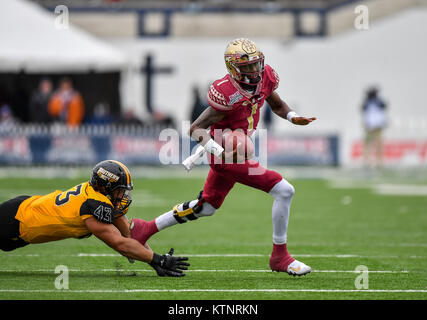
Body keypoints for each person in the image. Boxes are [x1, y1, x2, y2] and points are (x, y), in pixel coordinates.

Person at [130, 38, 316, 276]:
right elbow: (195, 129)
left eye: (256, 64)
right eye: (247, 67)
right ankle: (279, 256)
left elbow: (277, 105)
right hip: (225, 155)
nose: (254, 70)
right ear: (233, 68)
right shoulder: (226, 92)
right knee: (284, 190)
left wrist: (293, 117)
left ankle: (145, 229)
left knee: (206, 207)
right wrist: (221, 152)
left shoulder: (266, 77)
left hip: (235, 151)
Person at [0, 160, 189, 277]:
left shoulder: (100, 197)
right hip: (16, 221)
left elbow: (130, 236)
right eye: (120, 190)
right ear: (106, 187)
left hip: (25, 216)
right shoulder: (94, 206)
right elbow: (121, 245)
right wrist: (156, 260)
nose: (123, 195)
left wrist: (155, 259)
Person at [361, 86, 387, 168]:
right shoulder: (373, 102)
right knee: (372, 144)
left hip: (374, 126)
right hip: (372, 126)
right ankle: (371, 162)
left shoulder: (375, 102)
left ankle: (376, 162)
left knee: (374, 144)